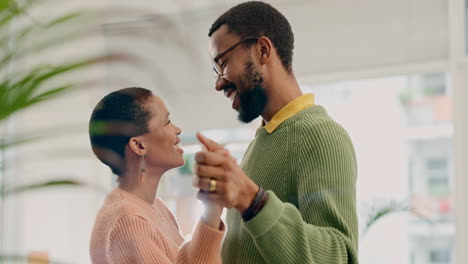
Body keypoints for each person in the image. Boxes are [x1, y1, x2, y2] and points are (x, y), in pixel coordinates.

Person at [192, 1, 358, 263]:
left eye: (223, 63)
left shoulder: (321, 136)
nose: (218, 83)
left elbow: (338, 256)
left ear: (262, 50)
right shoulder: (261, 140)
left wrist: (251, 199)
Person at [88, 87, 224, 264]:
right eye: (167, 122)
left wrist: (212, 207)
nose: (178, 130)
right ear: (139, 146)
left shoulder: (154, 206)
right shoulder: (130, 220)